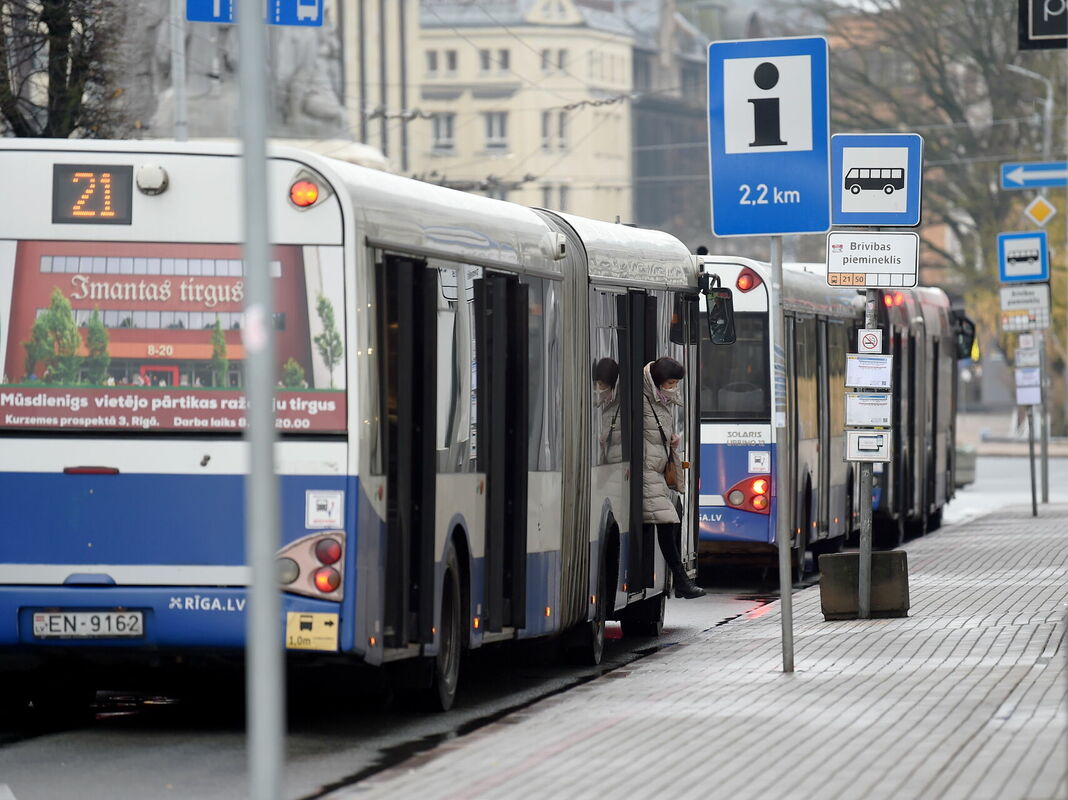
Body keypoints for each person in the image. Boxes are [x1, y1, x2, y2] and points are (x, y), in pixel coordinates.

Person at [643, 356, 705, 599]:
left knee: (673, 521)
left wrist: (672, 437)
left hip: (656, 469)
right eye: (670, 382)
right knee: (668, 522)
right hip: (645, 471)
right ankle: (680, 581)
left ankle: (680, 581)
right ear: (659, 381)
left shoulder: (661, 399)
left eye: (676, 383)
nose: (674, 387)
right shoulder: (643, 397)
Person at [593, 357, 622, 464]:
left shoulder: (619, 405)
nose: (597, 389)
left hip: (619, 466)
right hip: (609, 466)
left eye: (601, 384)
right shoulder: (606, 404)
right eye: (596, 384)